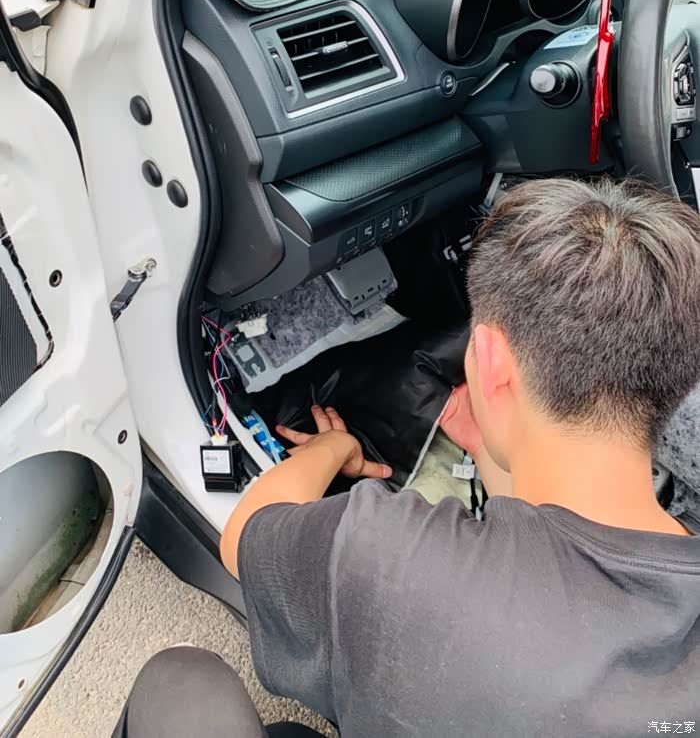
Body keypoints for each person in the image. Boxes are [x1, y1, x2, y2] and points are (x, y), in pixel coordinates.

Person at [119, 178, 700, 737]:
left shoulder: (389, 555)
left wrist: (331, 448)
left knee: (180, 684)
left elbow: (246, 536)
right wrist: (487, 444)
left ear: (491, 362)